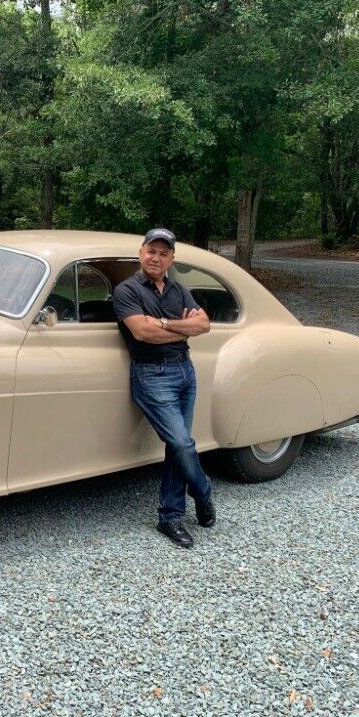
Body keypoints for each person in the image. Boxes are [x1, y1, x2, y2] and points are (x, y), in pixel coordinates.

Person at [112, 228, 215, 548]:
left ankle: (170, 517)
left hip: (186, 372)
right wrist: (181, 328)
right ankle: (203, 493)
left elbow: (204, 324)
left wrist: (166, 324)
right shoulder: (126, 290)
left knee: (176, 446)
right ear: (141, 252)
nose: (156, 257)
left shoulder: (178, 290)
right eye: (151, 251)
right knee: (183, 444)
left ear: (171, 259)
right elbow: (142, 332)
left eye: (163, 253)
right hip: (151, 374)